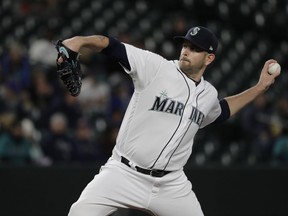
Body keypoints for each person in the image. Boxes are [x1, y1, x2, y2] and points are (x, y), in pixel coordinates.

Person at [57, 26, 280, 216]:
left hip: (171, 185)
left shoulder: (208, 94)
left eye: (195, 49)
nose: (186, 51)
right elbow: (110, 45)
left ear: (209, 58)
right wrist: (79, 41)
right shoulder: (156, 67)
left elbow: (221, 111)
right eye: (185, 45)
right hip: (123, 173)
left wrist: (260, 88)